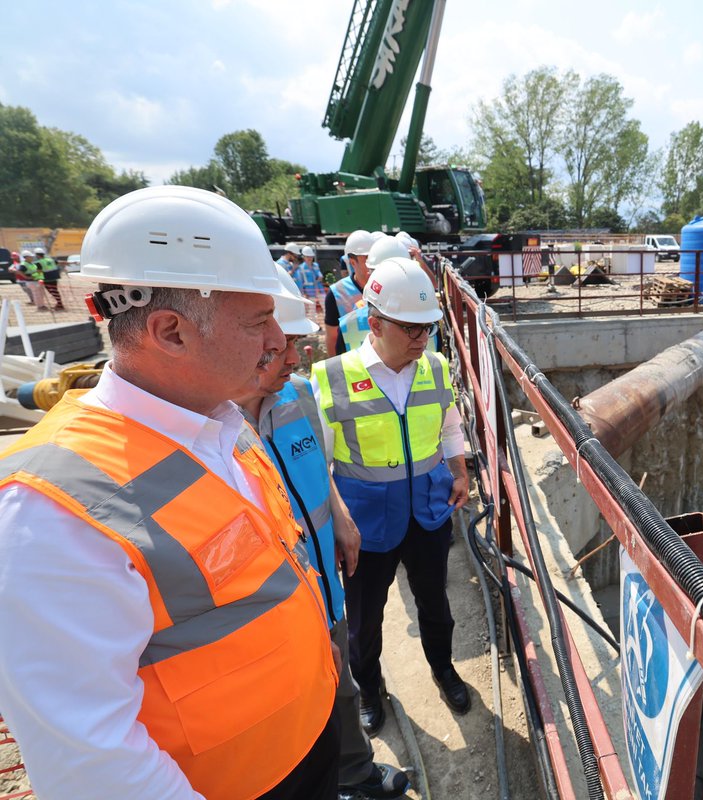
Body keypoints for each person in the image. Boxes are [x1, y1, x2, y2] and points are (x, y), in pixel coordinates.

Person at [0, 185, 339, 800]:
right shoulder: (50, 509)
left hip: (305, 746)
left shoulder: (220, 424)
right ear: (170, 331)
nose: (276, 341)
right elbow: (92, 760)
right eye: (258, 320)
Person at [236, 266, 410, 799]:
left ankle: (358, 775)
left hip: (323, 586)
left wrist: (339, 513)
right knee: (296, 713)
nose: (293, 359)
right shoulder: (212, 432)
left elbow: (320, 467)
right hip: (274, 613)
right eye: (279, 346)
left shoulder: (298, 396)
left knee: (341, 689)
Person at [311, 257, 472, 733]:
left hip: (427, 513)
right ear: (375, 323)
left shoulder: (435, 367)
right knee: (364, 620)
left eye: (427, 329)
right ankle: (369, 686)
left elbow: (449, 425)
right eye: (411, 329)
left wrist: (459, 471)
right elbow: (320, 464)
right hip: (366, 525)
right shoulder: (332, 377)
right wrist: (338, 518)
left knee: (435, 606)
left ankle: (443, 669)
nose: (422, 340)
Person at [323, 229, 376, 356]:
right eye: (367, 259)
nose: (372, 264)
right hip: (354, 366)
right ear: (353, 262)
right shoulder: (337, 294)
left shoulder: (387, 287)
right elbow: (332, 337)